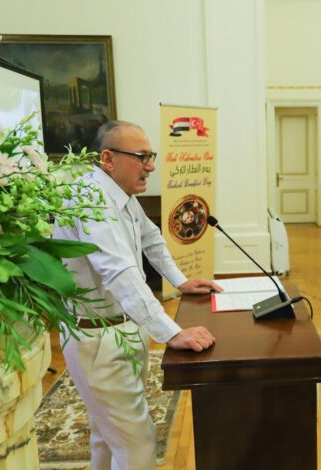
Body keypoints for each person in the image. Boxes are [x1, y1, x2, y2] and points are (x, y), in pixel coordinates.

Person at [53, 120, 221, 470]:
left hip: (122, 328)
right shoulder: (89, 198)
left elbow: (151, 239)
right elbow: (119, 271)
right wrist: (171, 332)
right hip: (97, 337)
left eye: (151, 155)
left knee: (107, 434)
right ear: (108, 158)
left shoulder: (121, 195)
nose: (151, 166)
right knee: (138, 445)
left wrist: (180, 281)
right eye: (142, 156)